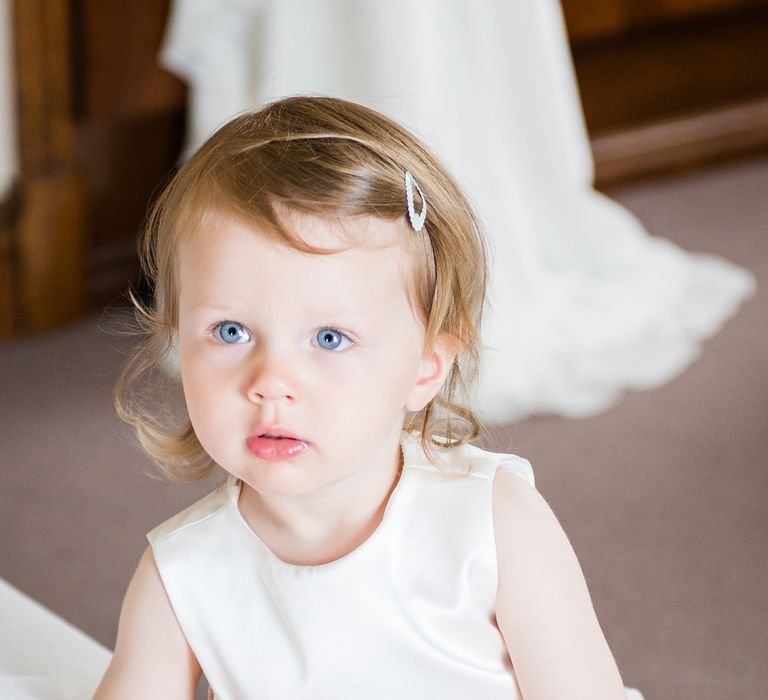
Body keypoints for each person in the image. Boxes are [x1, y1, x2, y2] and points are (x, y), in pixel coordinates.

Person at [92, 96, 644, 699]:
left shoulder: (490, 523)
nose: (271, 380)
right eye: (231, 332)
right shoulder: (182, 572)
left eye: (330, 339)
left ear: (425, 367)